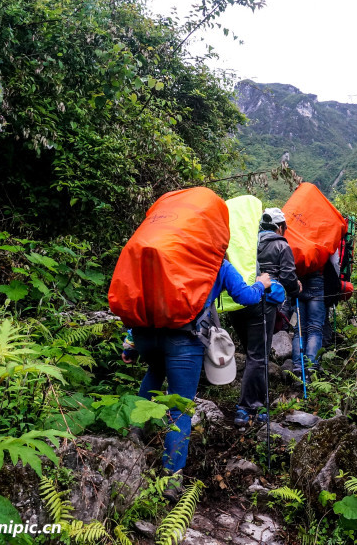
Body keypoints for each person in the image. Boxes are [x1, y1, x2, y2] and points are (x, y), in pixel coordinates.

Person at [129, 259, 272, 502]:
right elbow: (245, 297)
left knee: (154, 370)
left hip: (145, 333)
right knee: (181, 407)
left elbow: (142, 296)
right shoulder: (215, 260)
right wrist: (261, 284)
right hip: (184, 337)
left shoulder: (161, 253)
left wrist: (130, 342)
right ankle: (171, 478)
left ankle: (134, 430)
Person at [230, 208, 300, 426]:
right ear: (280, 227)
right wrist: (296, 288)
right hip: (262, 305)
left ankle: (250, 402)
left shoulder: (246, 242)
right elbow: (288, 278)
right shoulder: (281, 245)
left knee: (253, 355)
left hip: (236, 303)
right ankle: (249, 408)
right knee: (258, 357)